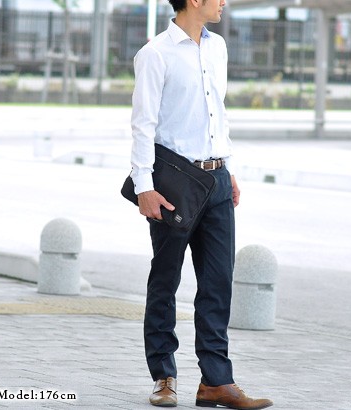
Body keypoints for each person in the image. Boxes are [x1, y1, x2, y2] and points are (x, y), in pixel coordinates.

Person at [129, 0, 273, 408]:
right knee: (166, 280)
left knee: (217, 282)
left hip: (217, 180)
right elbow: (143, 124)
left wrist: (229, 170)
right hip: (174, 185)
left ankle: (216, 381)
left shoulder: (217, 47)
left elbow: (217, 115)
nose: (223, 2)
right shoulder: (155, 54)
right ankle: (164, 376)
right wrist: (143, 187)